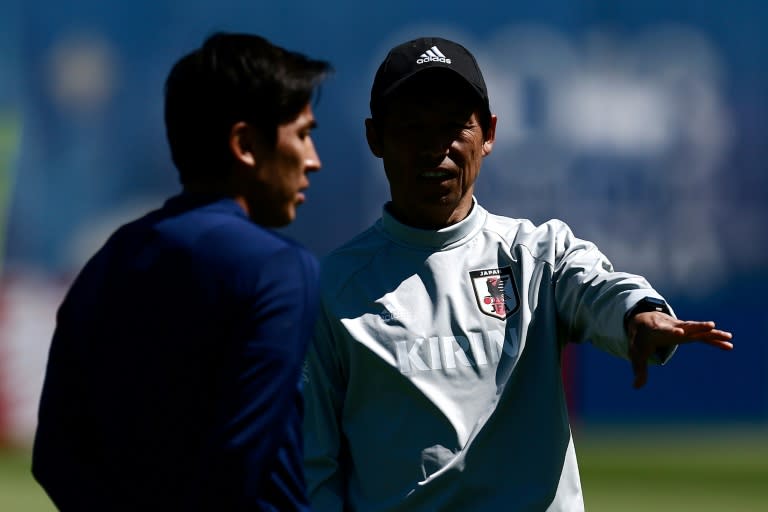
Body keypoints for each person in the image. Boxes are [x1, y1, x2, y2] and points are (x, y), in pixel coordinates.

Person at [302, 36, 733, 511]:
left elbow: (596, 287)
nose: (435, 148)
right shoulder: (331, 289)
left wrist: (639, 315)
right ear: (375, 138)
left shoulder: (535, 254)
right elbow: (314, 466)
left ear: (487, 133)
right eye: (412, 127)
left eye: (454, 126)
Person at [32, 32, 331, 511]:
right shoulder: (278, 269)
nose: (314, 160)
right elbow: (239, 463)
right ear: (246, 144)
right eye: (302, 133)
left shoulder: (110, 259)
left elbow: (53, 456)